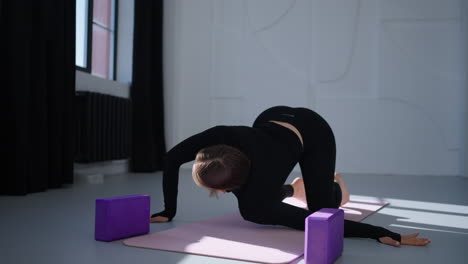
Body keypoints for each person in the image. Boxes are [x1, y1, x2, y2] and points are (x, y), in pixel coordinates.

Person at [151, 106, 431, 247]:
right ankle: (295, 189)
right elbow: (172, 157)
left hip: (312, 132)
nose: (221, 194)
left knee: (324, 208)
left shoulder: (254, 204)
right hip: (272, 119)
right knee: (261, 200)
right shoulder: (220, 137)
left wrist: (381, 233)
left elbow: (316, 223)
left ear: (228, 189)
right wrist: (169, 210)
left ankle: (338, 187)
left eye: (220, 190)